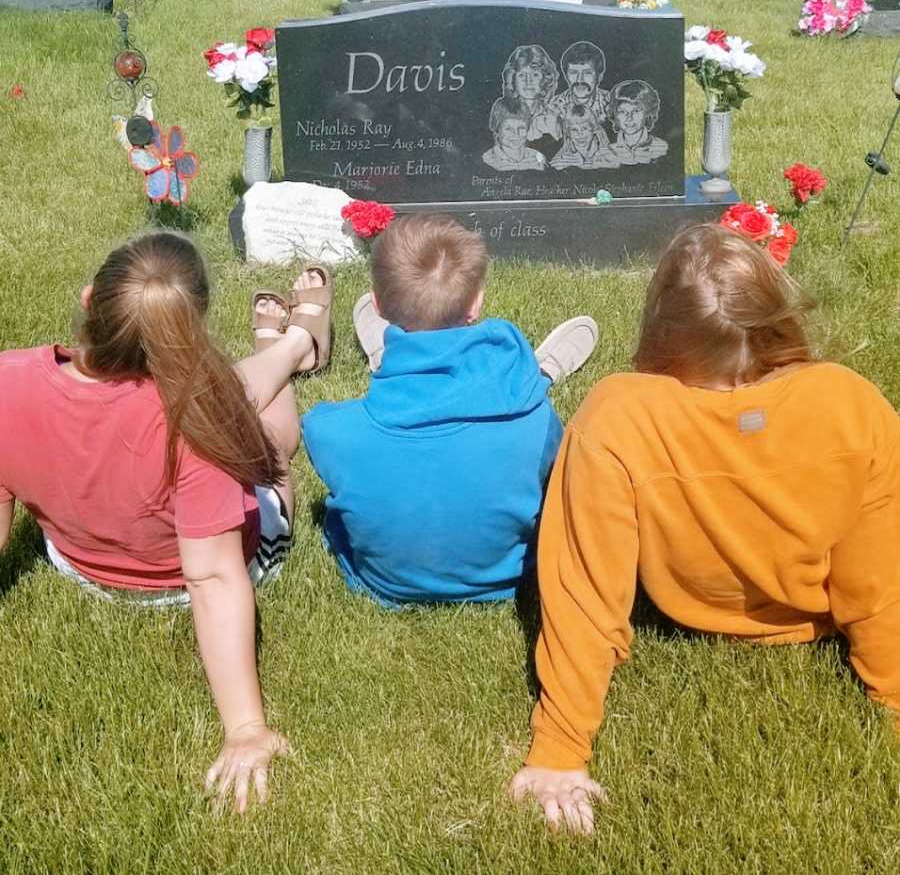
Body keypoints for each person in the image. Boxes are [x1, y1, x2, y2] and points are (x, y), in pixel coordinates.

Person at [510, 224, 900, 834]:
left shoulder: (618, 415)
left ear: (662, 326)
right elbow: (879, 578)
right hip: (815, 619)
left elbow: (586, 591)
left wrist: (561, 749)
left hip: (687, 611)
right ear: (776, 315)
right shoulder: (851, 402)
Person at [0, 231, 334, 814]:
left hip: (79, 565)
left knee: (220, 394)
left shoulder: (7, 381)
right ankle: (294, 344)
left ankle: (287, 348)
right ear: (192, 324)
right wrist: (244, 727)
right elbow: (211, 580)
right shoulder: (194, 423)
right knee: (271, 447)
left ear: (88, 301)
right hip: (175, 584)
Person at [301, 213, 598, 606]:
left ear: (378, 305)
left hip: (385, 583)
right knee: (528, 405)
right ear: (476, 303)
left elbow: (317, 427)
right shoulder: (538, 420)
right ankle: (537, 375)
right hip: (508, 575)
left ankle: (388, 357)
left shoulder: (329, 432)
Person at [534, 42, 610, 141]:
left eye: (587, 73)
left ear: (599, 77)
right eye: (574, 73)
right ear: (566, 76)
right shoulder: (553, 108)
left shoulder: (612, 104)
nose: (580, 80)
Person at [500, 44, 559, 140]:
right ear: (512, 79)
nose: (528, 81)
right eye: (522, 75)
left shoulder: (553, 118)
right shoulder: (502, 116)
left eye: (535, 75)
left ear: (545, 79)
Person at [608, 79, 668, 164]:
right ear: (614, 114)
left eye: (636, 111)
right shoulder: (607, 152)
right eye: (623, 112)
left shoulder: (662, 148)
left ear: (648, 112)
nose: (629, 118)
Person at [482, 97, 546, 171]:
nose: (516, 134)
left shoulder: (537, 158)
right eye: (508, 129)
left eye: (521, 128)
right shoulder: (487, 160)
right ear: (497, 131)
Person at [550, 104, 617, 170]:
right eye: (574, 130)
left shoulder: (607, 155)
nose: (580, 134)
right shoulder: (560, 160)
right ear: (568, 133)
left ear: (593, 129)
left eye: (585, 128)